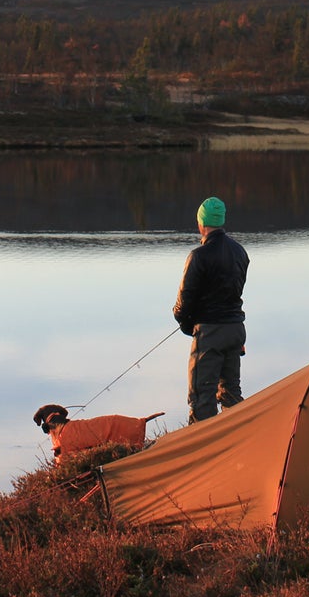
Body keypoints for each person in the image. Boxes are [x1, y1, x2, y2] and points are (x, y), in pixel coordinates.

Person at [171, 195, 249, 422]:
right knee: (231, 393)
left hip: (210, 333)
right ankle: (240, 444)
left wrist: (188, 326)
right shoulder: (240, 252)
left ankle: (203, 452)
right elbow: (236, 291)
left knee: (202, 399)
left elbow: (182, 305)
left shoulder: (198, 256)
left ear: (201, 223)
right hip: (236, 330)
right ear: (221, 221)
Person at [33, 403, 158, 463]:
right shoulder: (65, 432)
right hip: (118, 423)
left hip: (119, 425)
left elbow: (64, 458)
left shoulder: (64, 437)